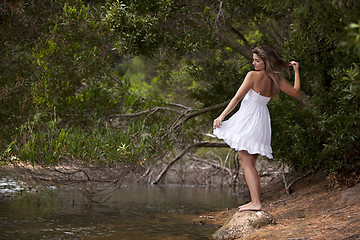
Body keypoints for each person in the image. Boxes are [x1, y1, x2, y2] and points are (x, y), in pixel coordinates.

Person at [213, 45, 300, 212]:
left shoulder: (252, 76)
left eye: (257, 60)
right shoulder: (276, 78)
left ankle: (256, 202)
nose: (253, 63)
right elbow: (296, 92)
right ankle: (255, 201)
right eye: (253, 60)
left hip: (249, 120)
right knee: (249, 163)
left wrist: (221, 116)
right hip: (261, 120)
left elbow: (237, 97)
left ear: (266, 61)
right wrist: (296, 71)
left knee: (247, 163)